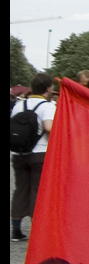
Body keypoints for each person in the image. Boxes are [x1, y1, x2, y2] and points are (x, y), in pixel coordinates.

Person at [10, 73, 56, 242]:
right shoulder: (48, 106)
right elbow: (48, 127)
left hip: (19, 153)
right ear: (48, 88)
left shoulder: (19, 105)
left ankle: (16, 229)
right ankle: (37, 229)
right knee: (37, 190)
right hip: (39, 153)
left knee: (20, 189)